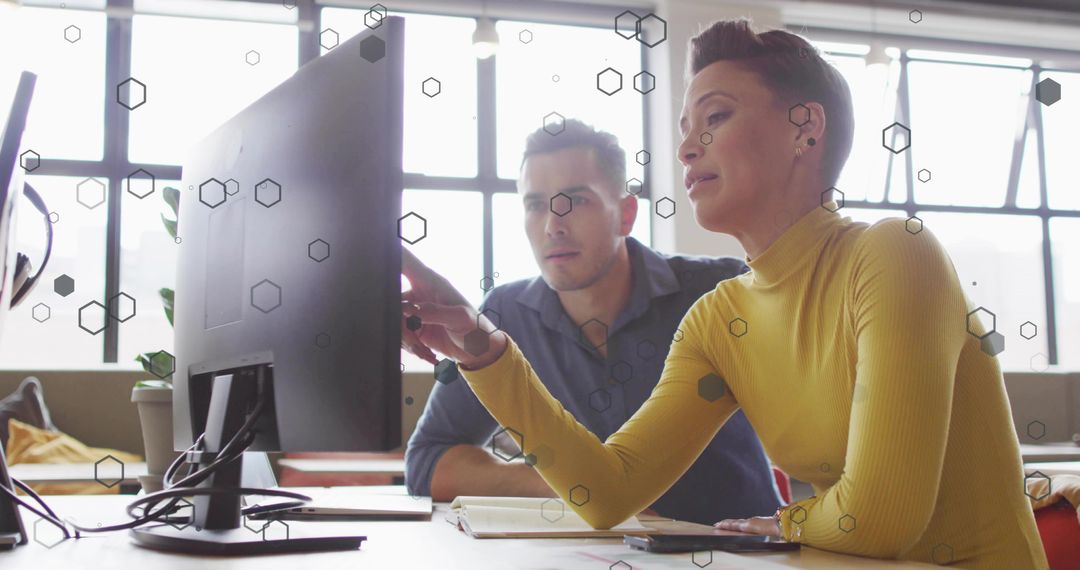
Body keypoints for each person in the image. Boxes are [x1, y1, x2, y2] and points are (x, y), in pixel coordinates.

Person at [400, 20, 1047, 569]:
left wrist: (780, 522)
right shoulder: (721, 317)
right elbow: (604, 493)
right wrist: (484, 351)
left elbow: (879, 520)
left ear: (805, 129)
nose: (685, 147)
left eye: (715, 117)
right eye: (685, 127)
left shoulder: (891, 253)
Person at [403, 119, 782, 525]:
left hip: (738, 552)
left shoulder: (717, 289)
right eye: (535, 205)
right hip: (589, 556)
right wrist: (563, 485)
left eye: (576, 201)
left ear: (625, 214)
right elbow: (427, 463)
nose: (553, 225)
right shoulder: (503, 314)